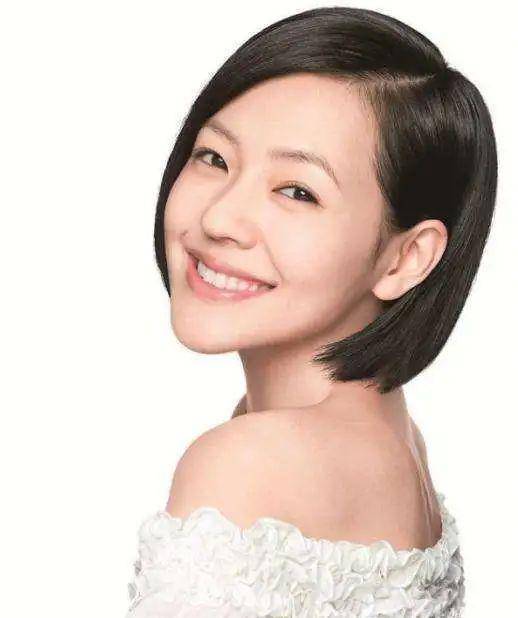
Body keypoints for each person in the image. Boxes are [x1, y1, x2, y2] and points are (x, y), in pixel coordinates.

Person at [126, 6, 497, 616]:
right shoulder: (394, 440)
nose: (218, 218)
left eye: (297, 191)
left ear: (406, 257)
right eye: (214, 158)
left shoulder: (250, 463)